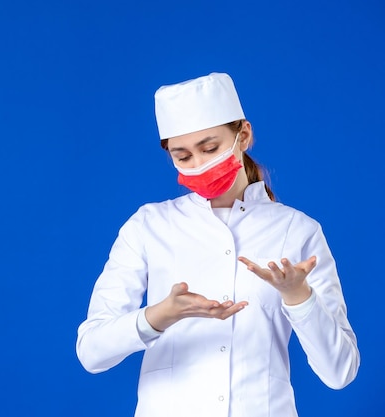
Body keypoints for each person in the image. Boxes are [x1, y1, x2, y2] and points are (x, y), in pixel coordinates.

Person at [75, 72, 359, 417]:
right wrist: (160, 315)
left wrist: (298, 296)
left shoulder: (297, 229)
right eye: (183, 156)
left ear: (244, 135)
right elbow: (91, 352)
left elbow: (340, 372)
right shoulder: (149, 225)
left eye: (210, 148)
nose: (200, 165)